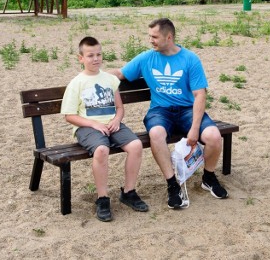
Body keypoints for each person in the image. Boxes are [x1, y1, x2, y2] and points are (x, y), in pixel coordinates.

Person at [112, 18, 228, 209]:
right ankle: (172, 185)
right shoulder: (146, 58)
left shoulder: (190, 59)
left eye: (155, 37)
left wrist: (194, 129)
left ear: (169, 37)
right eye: (149, 36)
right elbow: (120, 73)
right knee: (156, 134)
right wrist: (92, 75)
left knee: (214, 136)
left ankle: (208, 177)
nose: (151, 41)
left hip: (187, 111)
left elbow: (200, 95)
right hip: (160, 111)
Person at [61, 36, 148, 222]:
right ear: (81, 58)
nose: (95, 59)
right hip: (87, 128)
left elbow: (119, 108)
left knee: (135, 146)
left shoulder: (110, 79)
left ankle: (129, 192)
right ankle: (102, 198)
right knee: (102, 150)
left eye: (99, 54)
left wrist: (117, 120)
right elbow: (69, 116)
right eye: (90, 55)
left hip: (112, 124)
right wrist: (94, 124)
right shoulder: (77, 83)